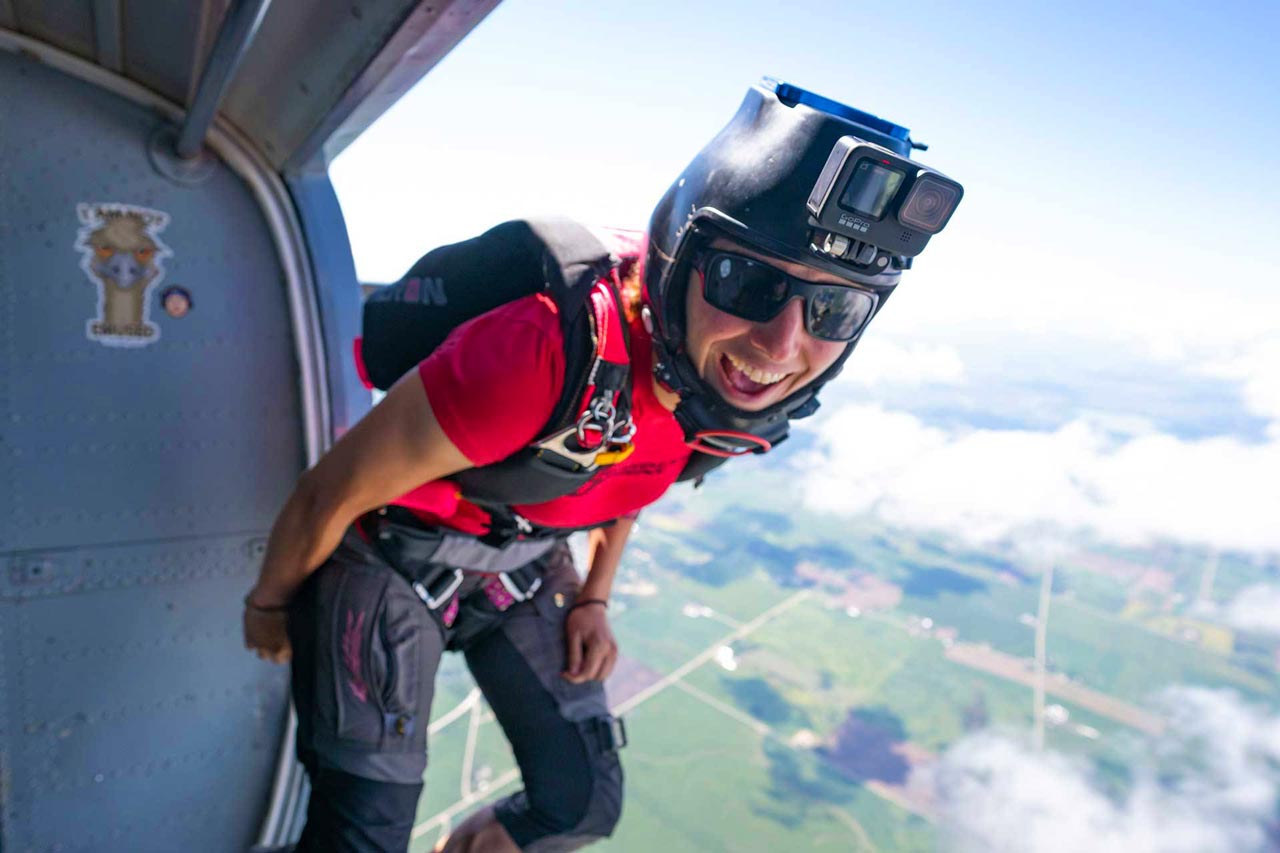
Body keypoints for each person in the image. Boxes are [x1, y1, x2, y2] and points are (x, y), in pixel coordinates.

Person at [243, 78, 959, 852]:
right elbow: (333, 490)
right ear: (683, 262)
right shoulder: (542, 352)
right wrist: (273, 608)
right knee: (362, 839)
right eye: (747, 283)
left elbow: (632, 472)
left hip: (518, 560)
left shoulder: (718, 400)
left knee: (580, 803)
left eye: (836, 310)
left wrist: (595, 597)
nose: (779, 347)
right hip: (392, 554)